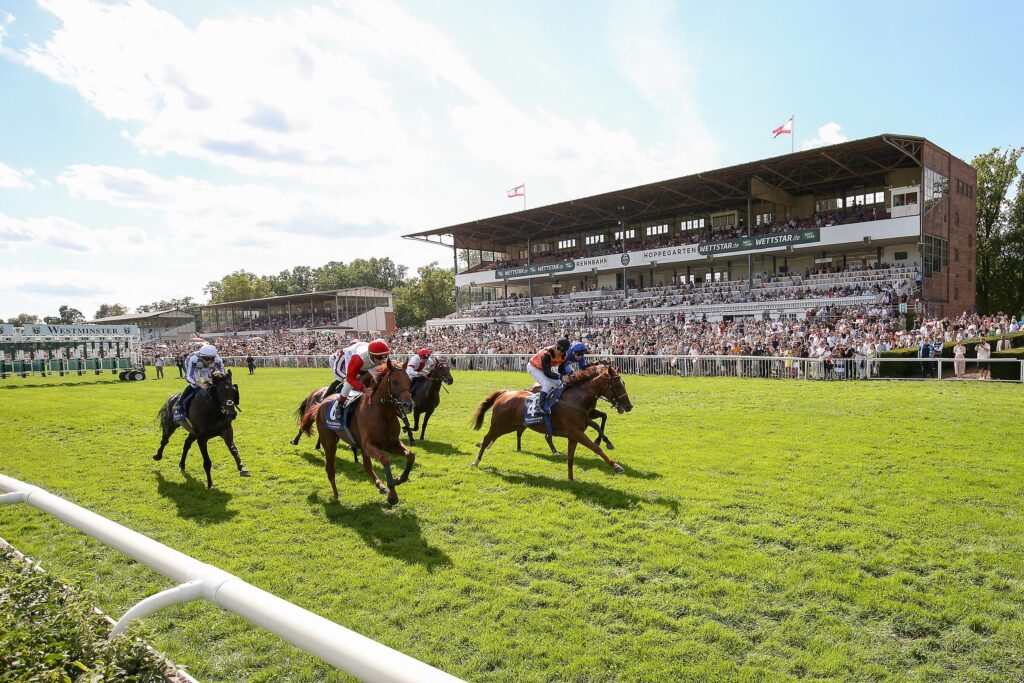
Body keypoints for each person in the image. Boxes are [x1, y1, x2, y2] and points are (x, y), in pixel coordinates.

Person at [331, 338, 391, 420]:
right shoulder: (358, 358)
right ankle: (340, 405)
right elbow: (350, 378)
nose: (383, 360)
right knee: (348, 384)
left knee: (379, 377)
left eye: (385, 356)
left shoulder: (380, 354)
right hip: (351, 354)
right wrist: (364, 390)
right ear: (372, 356)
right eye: (380, 358)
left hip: (365, 352)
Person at [177, 344, 224, 422]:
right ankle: (179, 403)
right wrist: (200, 384)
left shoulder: (218, 360)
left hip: (206, 369)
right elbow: (189, 377)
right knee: (195, 386)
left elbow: (222, 374)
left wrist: (214, 380)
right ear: (201, 356)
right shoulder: (193, 359)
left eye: (212, 358)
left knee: (211, 384)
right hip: (194, 367)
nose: (209, 361)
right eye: (206, 358)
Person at [527, 338, 570, 414]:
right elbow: (547, 373)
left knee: (560, 385)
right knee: (547, 384)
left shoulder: (565, 356)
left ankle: (555, 404)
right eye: (558, 349)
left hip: (544, 368)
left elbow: (561, 370)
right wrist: (561, 377)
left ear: (566, 351)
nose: (559, 352)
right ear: (555, 346)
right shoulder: (547, 354)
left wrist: (567, 376)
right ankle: (538, 406)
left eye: (562, 351)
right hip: (533, 367)